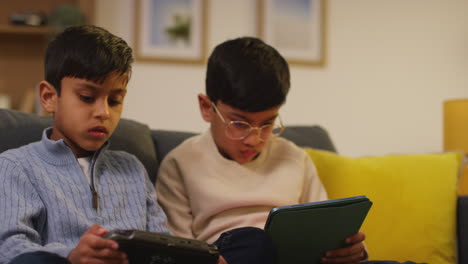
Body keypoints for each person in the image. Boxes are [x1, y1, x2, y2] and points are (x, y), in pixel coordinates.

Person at [0, 25, 227, 264]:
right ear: (49, 98)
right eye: (87, 98)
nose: (104, 112)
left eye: (115, 100)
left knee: (244, 239)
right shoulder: (15, 166)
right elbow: (9, 248)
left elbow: (161, 242)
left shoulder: (132, 169)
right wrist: (71, 256)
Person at [156, 37, 367, 264]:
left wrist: (348, 249)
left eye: (268, 124)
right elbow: (178, 250)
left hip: (293, 258)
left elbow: (324, 229)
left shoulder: (295, 158)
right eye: (239, 124)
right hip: (230, 254)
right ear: (207, 107)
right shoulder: (180, 163)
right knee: (255, 241)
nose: (254, 140)